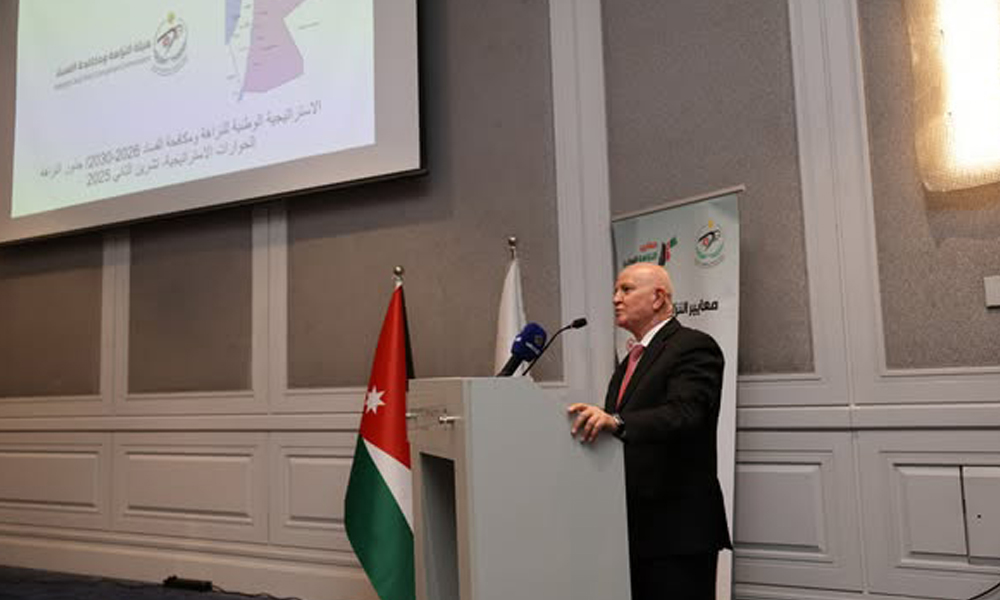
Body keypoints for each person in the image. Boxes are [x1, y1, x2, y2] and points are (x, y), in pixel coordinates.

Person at [567, 262, 731, 600]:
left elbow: (686, 414)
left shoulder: (694, 346)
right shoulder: (630, 361)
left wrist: (617, 422)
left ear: (657, 298)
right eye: (616, 290)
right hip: (633, 527)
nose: (616, 299)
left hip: (676, 530)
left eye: (626, 290)